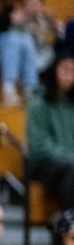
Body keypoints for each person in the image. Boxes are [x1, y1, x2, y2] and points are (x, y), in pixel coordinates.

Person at [27, 52, 74, 209]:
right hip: (44, 164)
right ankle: (71, 222)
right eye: (65, 69)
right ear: (54, 70)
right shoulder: (39, 104)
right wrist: (70, 157)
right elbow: (41, 146)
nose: (70, 75)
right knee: (71, 170)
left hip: (68, 163)